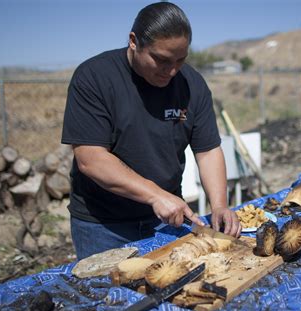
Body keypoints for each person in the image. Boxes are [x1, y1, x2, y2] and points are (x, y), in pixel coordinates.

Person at [61, 2, 241, 260]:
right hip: (104, 225)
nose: (172, 71)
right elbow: (91, 159)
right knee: (108, 297)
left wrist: (220, 205)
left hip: (168, 220)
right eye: (161, 59)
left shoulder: (192, 85)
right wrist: (155, 195)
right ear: (134, 41)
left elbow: (208, 150)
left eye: (181, 60)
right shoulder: (94, 78)